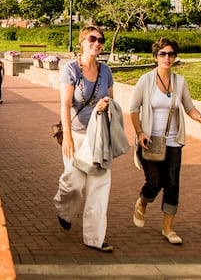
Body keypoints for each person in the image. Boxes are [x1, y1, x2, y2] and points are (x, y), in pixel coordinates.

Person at [130, 37, 201, 245]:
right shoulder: (145, 80)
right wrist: (139, 133)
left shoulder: (180, 82)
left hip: (173, 141)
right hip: (150, 140)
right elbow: (133, 109)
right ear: (155, 56)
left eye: (171, 54)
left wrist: (199, 117)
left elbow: (188, 107)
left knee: (172, 185)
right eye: (163, 54)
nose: (167, 58)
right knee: (155, 182)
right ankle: (143, 201)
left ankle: (168, 229)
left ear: (175, 57)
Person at [53, 26, 117, 252]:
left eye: (100, 39)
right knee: (74, 183)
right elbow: (64, 104)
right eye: (92, 39)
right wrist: (68, 136)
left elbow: (111, 100)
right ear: (82, 41)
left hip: (99, 136)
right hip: (77, 135)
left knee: (99, 188)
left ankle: (95, 239)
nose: (97, 43)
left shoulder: (106, 70)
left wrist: (105, 104)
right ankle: (64, 208)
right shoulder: (71, 69)